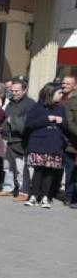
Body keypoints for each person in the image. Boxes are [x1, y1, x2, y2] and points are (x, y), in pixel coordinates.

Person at [23, 83, 69, 208]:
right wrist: (47, 119)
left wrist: (62, 122)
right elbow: (29, 124)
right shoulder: (37, 107)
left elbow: (67, 126)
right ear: (50, 93)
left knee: (49, 172)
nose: (61, 95)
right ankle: (33, 196)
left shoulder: (61, 108)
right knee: (38, 171)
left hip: (54, 144)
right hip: (39, 144)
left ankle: (45, 197)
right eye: (59, 93)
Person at [1, 77, 35, 201]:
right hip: (8, 138)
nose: (14, 93)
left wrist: (13, 121)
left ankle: (23, 191)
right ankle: (8, 188)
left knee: (21, 168)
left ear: (24, 90)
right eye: (12, 90)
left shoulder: (30, 104)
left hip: (21, 140)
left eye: (17, 91)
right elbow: (5, 118)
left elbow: (29, 122)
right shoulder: (10, 103)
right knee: (8, 166)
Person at [65, 75, 77, 208]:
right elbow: (70, 122)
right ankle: (70, 196)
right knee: (70, 172)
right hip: (72, 143)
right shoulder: (71, 102)